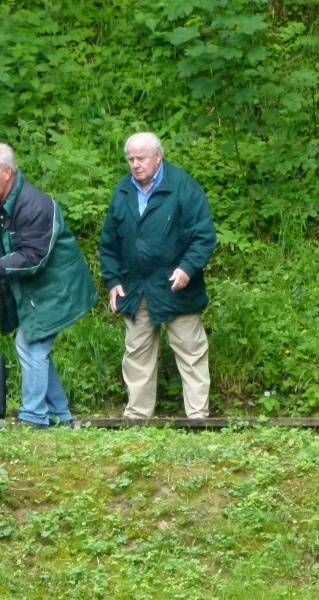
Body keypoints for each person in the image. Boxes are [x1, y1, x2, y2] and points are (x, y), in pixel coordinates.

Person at [0, 142, 97, 428]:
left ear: (7, 172)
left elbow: (33, 258)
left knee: (29, 344)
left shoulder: (36, 205)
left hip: (58, 289)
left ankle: (34, 416)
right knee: (33, 345)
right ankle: (58, 413)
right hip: (34, 290)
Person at [99, 132, 217, 420]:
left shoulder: (183, 186)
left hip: (176, 284)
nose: (135, 164)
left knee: (190, 350)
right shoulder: (123, 190)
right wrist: (113, 281)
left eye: (141, 158)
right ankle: (137, 417)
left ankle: (198, 417)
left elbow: (204, 236)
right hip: (135, 285)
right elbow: (108, 243)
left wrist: (188, 268)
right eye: (130, 159)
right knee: (137, 352)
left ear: (157, 157)